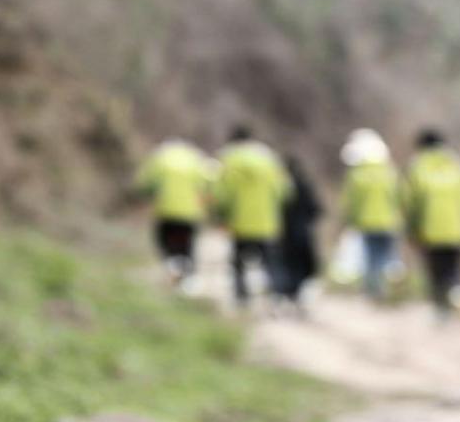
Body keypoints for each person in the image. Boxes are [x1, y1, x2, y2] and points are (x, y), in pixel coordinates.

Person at [214, 125, 290, 309]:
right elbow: (283, 191)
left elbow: (223, 194)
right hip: (266, 221)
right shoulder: (269, 159)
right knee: (270, 261)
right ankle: (276, 296)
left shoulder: (230, 160)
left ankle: (242, 297)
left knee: (239, 262)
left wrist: (222, 215)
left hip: (240, 222)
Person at [403, 128, 460, 318]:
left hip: (430, 231)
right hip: (458, 229)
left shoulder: (417, 166)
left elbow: (410, 201)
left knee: (436, 272)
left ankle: (441, 311)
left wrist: (411, 228)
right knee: (454, 267)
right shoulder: (458, 165)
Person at [132, 137, 214, 292]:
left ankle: (172, 263)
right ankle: (189, 278)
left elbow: (146, 183)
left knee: (164, 239)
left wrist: (149, 195)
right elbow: (206, 185)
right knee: (188, 244)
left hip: (166, 210)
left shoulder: (160, 159)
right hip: (191, 212)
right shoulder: (196, 159)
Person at [340, 128, 404, 301]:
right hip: (390, 222)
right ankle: (390, 285)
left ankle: (374, 291)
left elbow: (351, 202)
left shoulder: (357, 175)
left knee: (370, 258)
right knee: (387, 255)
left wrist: (350, 221)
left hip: (367, 223)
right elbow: (400, 197)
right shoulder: (390, 172)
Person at [275, 155, 322, 313]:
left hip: (283, 235)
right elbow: (316, 209)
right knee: (302, 266)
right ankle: (298, 297)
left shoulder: (279, 187)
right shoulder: (305, 185)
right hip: (302, 233)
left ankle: (287, 296)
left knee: (286, 266)